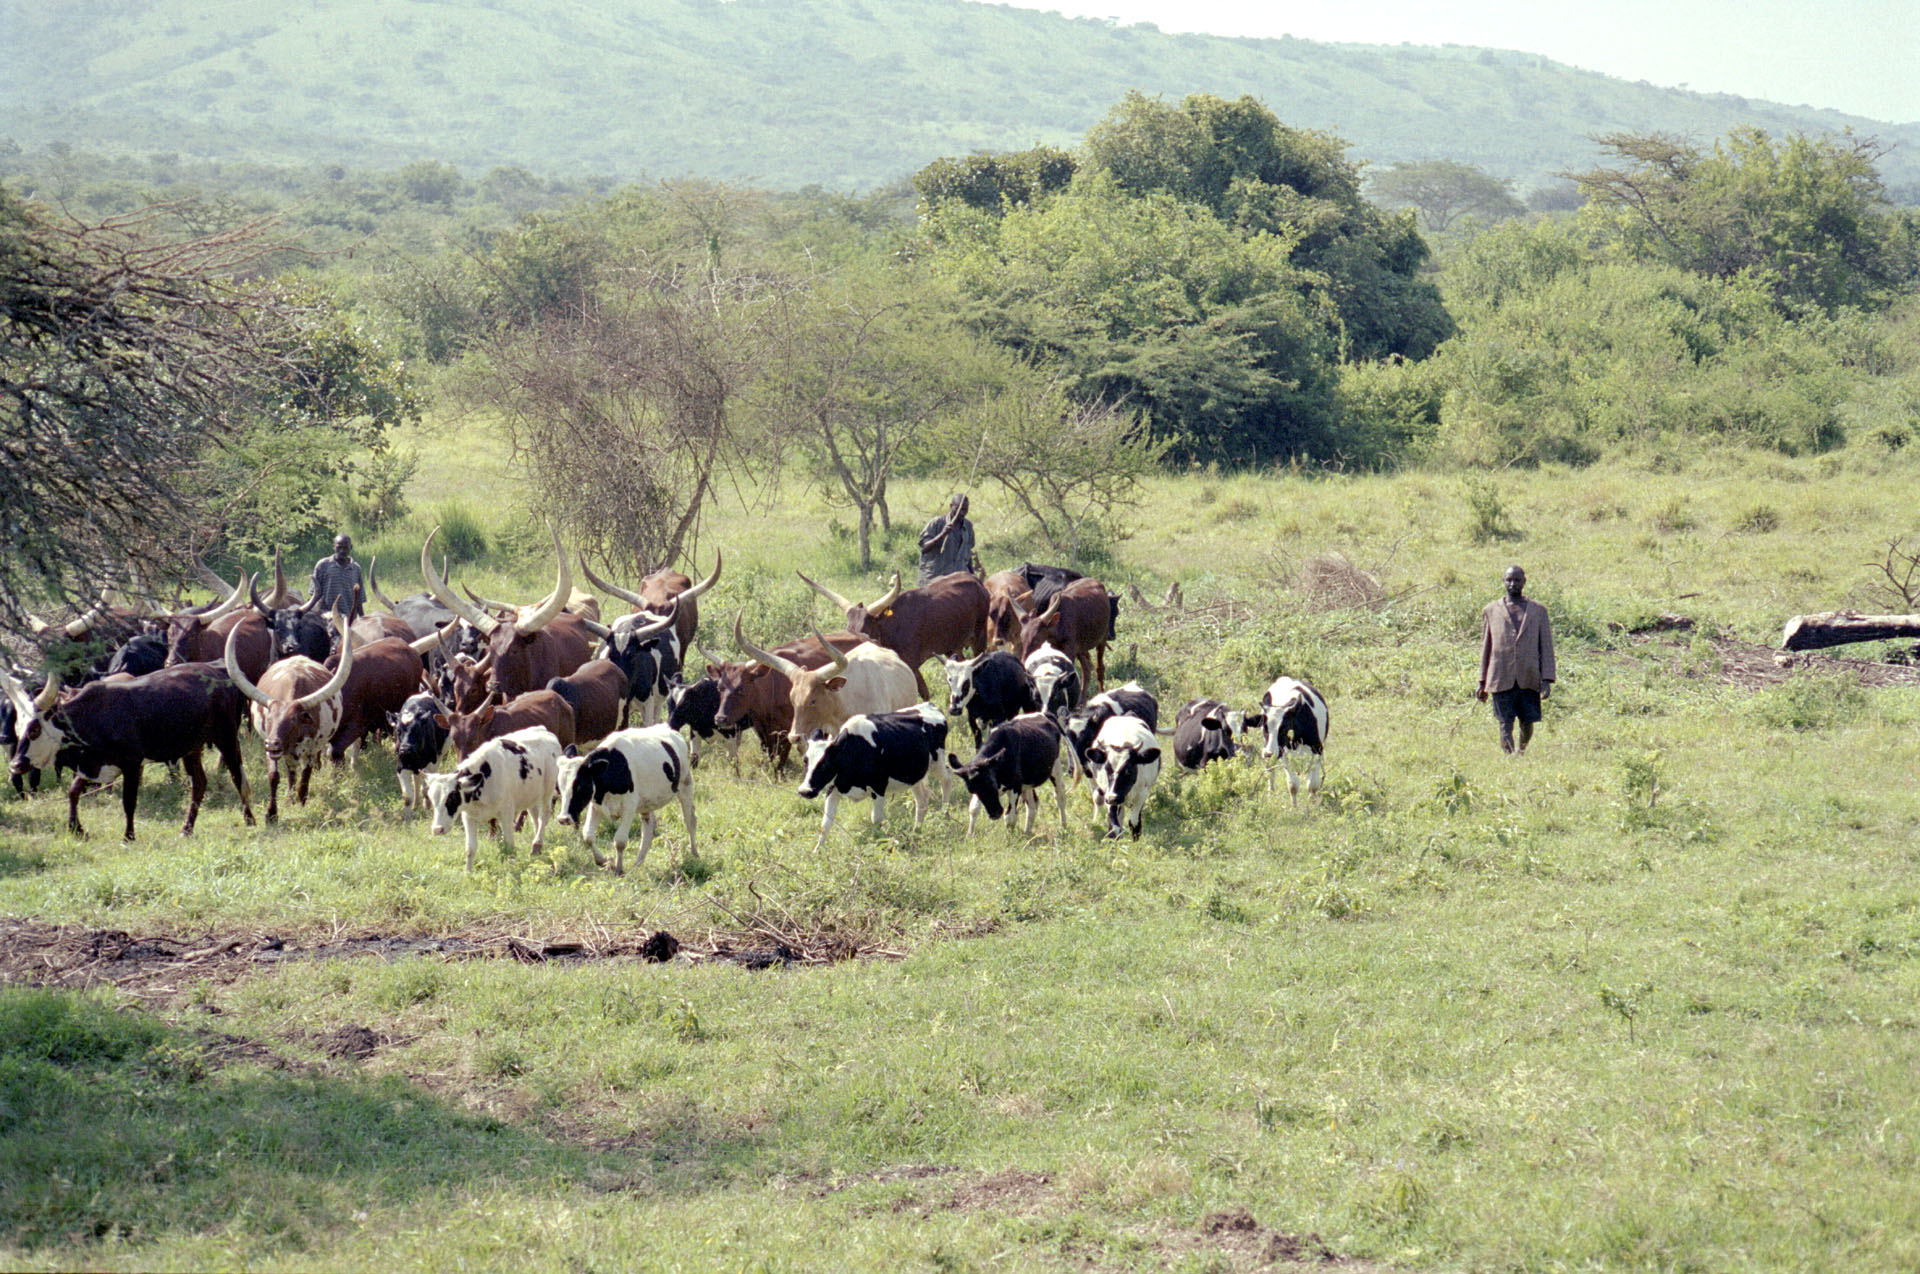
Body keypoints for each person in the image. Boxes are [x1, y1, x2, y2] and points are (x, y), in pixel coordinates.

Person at [1478, 564, 1555, 754]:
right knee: (1505, 721)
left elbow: (1546, 646)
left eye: (1517, 580)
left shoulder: (1538, 611)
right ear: (1503, 581)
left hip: (1529, 676)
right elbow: (1486, 647)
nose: (1513, 584)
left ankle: (1522, 750)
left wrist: (1547, 679)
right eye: (1509, 580)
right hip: (1500, 676)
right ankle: (1509, 756)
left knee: (1528, 721)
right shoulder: (1491, 610)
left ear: (1524, 581)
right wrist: (1482, 681)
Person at [918, 493, 978, 585]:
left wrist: (973, 577)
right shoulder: (937, 523)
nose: (962, 512)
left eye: (965, 509)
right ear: (951, 506)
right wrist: (942, 534)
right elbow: (924, 548)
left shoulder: (968, 526)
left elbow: (967, 554)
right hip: (935, 580)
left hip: (958, 581)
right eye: (959, 509)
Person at [311, 533, 365, 622]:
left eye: (345, 548)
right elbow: (313, 595)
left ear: (350, 548)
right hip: (326, 618)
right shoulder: (322, 565)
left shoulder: (356, 569)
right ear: (334, 547)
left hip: (349, 619)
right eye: (339, 547)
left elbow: (359, 599)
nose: (342, 551)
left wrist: (363, 619)